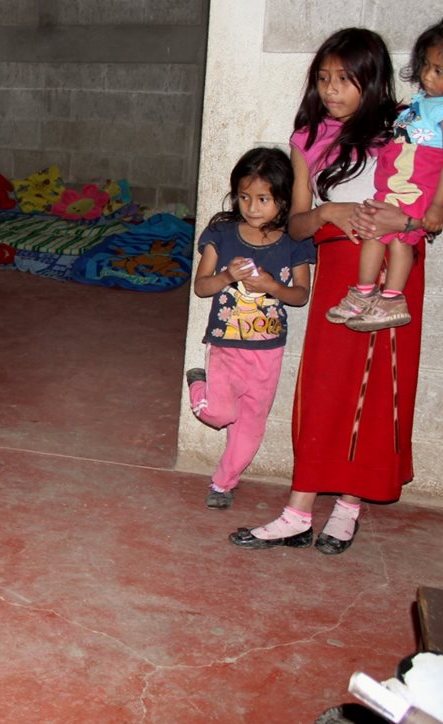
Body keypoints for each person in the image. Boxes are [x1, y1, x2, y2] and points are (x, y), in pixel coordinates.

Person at [230, 28, 426, 554]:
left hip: (395, 269)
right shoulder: (307, 137)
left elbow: (433, 212)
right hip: (340, 267)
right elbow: (295, 225)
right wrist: (326, 213)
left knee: (373, 389)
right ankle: (297, 510)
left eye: (345, 79)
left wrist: (404, 217)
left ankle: (348, 505)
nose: (333, 90)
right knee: (322, 385)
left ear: (374, 79)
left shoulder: (411, 127)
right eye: (324, 78)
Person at [185, 148, 314, 510]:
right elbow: (201, 286)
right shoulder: (222, 234)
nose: (252, 208)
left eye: (263, 199)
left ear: (283, 200)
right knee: (220, 414)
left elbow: (301, 295)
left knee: (250, 428)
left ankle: (223, 484)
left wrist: (272, 287)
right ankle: (198, 383)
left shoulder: (294, 241)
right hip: (226, 347)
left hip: (267, 353)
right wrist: (227, 276)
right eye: (244, 197)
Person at [326, 19, 443, 331]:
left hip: (416, 186)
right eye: (426, 66)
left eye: (439, 71)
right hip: (395, 181)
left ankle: (392, 297)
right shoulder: (421, 102)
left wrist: (436, 207)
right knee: (373, 233)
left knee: (400, 241)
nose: (427, 77)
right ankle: (363, 292)